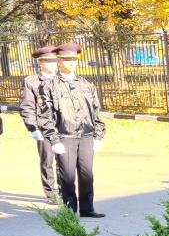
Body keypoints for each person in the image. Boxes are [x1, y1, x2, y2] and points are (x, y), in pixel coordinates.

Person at [36, 42, 106, 217]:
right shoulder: (50, 86)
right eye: (67, 59)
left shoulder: (85, 84)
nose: (71, 62)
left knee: (87, 174)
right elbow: (45, 116)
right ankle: (69, 210)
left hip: (86, 136)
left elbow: (96, 110)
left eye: (74, 59)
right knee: (67, 177)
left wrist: (98, 135)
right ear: (59, 61)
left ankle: (87, 208)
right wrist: (53, 139)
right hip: (65, 136)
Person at [19, 45, 60, 199]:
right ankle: (51, 193)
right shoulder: (32, 82)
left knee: (64, 161)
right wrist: (33, 128)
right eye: (48, 61)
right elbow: (27, 106)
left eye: (55, 61)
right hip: (43, 128)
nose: (53, 64)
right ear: (40, 63)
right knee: (47, 160)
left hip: (63, 126)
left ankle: (65, 191)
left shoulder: (61, 79)